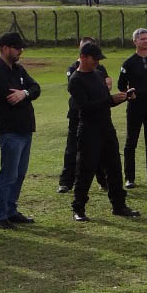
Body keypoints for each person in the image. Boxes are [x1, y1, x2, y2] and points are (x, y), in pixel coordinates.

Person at [69, 42, 141, 221]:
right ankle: (78, 208)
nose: (97, 62)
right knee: (86, 170)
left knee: (114, 167)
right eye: (94, 58)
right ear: (83, 57)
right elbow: (85, 107)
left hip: (106, 127)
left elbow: (104, 102)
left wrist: (123, 98)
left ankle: (119, 205)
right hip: (89, 129)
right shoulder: (76, 80)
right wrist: (110, 100)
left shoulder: (99, 74)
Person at [0, 32, 42, 227]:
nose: (21, 51)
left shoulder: (18, 69)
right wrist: (24, 94)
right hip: (10, 130)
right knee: (8, 175)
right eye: (17, 48)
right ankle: (0, 215)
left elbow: (36, 88)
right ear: (4, 48)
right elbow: (8, 97)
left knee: (19, 173)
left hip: (25, 128)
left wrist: (24, 93)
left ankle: (11, 209)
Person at [58, 37, 108, 193]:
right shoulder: (74, 69)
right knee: (72, 148)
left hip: (96, 114)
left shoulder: (99, 68)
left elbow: (107, 84)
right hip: (77, 113)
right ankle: (66, 182)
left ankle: (103, 180)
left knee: (99, 149)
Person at [117, 28, 147, 189]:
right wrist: (129, 93)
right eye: (142, 39)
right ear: (135, 41)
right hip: (136, 106)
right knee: (131, 141)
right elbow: (121, 85)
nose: (146, 41)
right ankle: (129, 177)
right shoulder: (129, 62)